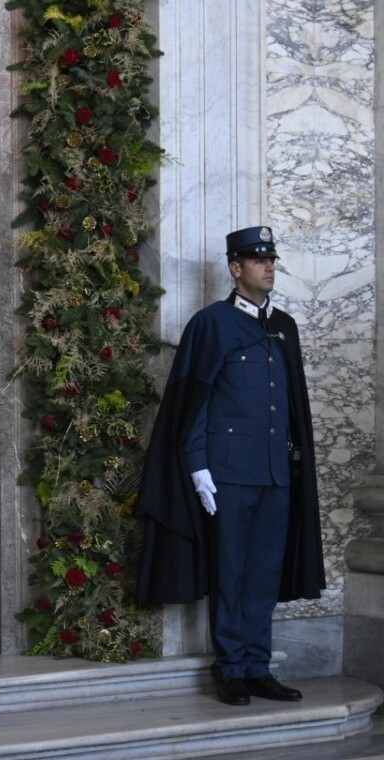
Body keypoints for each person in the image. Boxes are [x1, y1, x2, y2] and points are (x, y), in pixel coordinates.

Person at [137, 226, 325, 706]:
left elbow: (290, 406)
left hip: (276, 475)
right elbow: (191, 405)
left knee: (264, 573)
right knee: (231, 572)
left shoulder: (285, 325)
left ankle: (259, 667)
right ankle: (231, 669)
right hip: (228, 477)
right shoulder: (212, 323)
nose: (269, 267)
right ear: (235, 268)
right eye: (258, 260)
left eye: (272, 260)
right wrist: (198, 468)